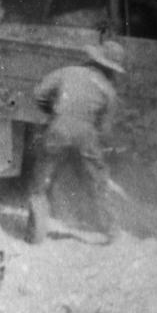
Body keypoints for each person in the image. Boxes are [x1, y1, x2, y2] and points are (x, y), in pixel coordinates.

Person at [26, 41, 125, 245]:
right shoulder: (109, 92)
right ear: (111, 70)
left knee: (40, 181)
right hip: (86, 135)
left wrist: (52, 112)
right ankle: (111, 230)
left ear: (94, 59)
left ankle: (36, 233)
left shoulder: (68, 72)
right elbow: (104, 129)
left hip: (58, 129)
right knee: (98, 181)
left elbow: (39, 93)